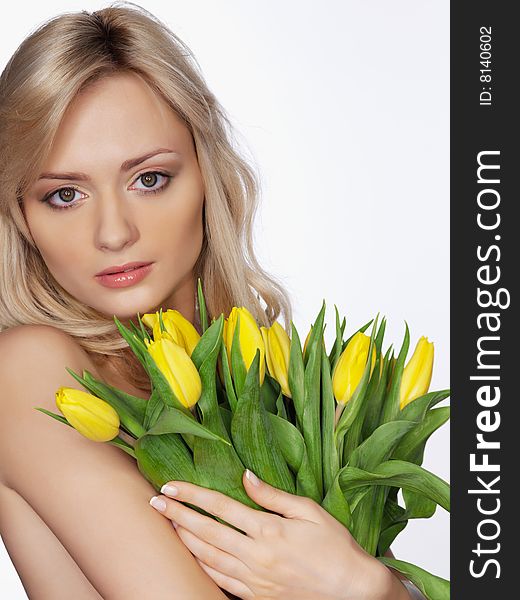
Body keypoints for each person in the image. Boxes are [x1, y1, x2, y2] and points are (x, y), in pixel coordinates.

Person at [0, 4, 423, 599]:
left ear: (207, 174)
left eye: (148, 179)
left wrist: (369, 586)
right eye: (64, 194)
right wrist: (367, 588)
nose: (114, 232)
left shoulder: (269, 382)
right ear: (22, 215)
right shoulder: (31, 371)